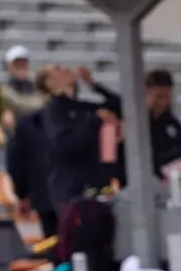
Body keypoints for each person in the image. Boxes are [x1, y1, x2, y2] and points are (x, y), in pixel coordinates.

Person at [39, 65, 121, 211]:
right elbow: (63, 145)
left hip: (94, 183)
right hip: (70, 190)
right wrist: (94, 121)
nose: (65, 69)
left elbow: (119, 106)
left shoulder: (81, 106)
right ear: (49, 83)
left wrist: (93, 84)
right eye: (57, 70)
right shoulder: (53, 110)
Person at [6, 65, 56, 236]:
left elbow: (15, 161)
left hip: (45, 195)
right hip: (72, 195)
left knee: (55, 245)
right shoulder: (81, 119)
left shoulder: (28, 123)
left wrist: (22, 193)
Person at [144, 69, 181, 174]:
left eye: (166, 97)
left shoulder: (172, 124)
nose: (163, 102)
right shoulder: (137, 125)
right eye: (158, 97)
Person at [0, 45, 44, 132]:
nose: (21, 68)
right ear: (8, 67)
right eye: (17, 65)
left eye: (23, 64)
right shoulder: (2, 88)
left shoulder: (36, 87)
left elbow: (39, 105)